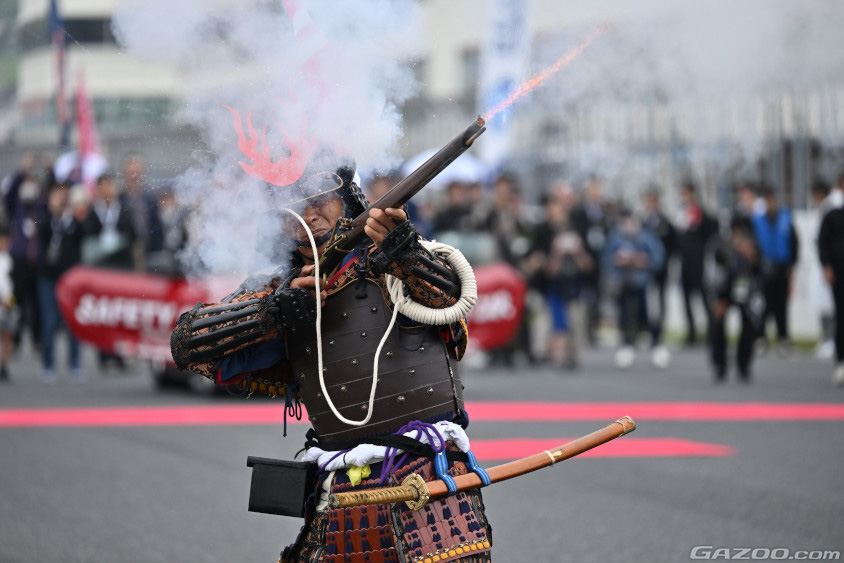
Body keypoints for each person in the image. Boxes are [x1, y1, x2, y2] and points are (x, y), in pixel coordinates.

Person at [171, 154, 492, 562]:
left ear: (348, 199)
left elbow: (450, 303)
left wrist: (406, 252)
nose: (308, 214)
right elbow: (188, 347)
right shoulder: (281, 289)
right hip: (338, 488)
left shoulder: (394, 257)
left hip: (428, 476)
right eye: (291, 207)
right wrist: (272, 313)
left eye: (319, 198)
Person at [706, 218, 767, 383]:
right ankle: (720, 364)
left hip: (745, 290)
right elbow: (714, 273)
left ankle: (743, 364)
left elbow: (760, 272)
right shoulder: (721, 247)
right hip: (724, 290)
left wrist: (751, 259)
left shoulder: (754, 247)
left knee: (749, 323)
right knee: (718, 323)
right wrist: (718, 297)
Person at [602, 209, 665, 369]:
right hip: (623, 284)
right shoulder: (615, 238)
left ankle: (656, 345)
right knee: (624, 316)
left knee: (650, 315)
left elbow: (658, 258)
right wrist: (619, 260)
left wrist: (643, 261)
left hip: (644, 283)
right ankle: (626, 345)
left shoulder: (647, 238)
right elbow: (606, 259)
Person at [37, 182, 86, 383]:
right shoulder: (46, 220)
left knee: (72, 322)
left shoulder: (72, 222)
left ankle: (74, 363)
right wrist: (53, 215)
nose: (60, 199)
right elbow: (41, 235)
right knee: (49, 322)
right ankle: (48, 365)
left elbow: (82, 235)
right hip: (48, 279)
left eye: (63, 195)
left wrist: (69, 217)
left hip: (70, 281)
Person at [751, 184, 799, 354]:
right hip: (763, 268)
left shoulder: (786, 218)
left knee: (781, 306)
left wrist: (792, 265)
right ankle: (760, 338)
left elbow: (794, 242)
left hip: (782, 267)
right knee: (762, 305)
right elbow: (753, 245)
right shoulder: (757, 220)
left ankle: (783, 338)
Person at [677, 180, 719, 346]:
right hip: (685, 263)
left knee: (704, 298)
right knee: (687, 299)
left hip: (699, 263)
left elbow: (712, 231)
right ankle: (691, 333)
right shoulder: (681, 213)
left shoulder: (701, 212)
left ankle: (711, 332)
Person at [570, 176, 610, 346]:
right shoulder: (579, 212)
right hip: (583, 260)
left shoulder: (604, 213)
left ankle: (594, 329)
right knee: (582, 296)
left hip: (599, 260)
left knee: (597, 296)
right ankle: (582, 330)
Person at [641, 188, 676, 367]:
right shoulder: (643, 223)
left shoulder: (666, 222)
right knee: (648, 301)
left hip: (661, 269)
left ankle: (660, 332)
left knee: (660, 301)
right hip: (645, 271)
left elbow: (673, 245)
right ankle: (649, 330)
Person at [809, 178, 843, 360]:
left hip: (833, 264)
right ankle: (830, 340)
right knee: (827, 304)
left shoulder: (832, 205)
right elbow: (821, 238)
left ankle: (831, 341)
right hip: (831, 264)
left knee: (832, 305)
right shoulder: (829, 208)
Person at [818, 192, 844, 386]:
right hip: (840, 274)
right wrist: (827, 266)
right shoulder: (833, 215)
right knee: (841, 316)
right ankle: (841, 361)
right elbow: (823, 242)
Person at [119, 155, 163, 271]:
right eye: (130, 173)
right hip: (125, 254)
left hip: (149, 251)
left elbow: (157, 228)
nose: (133, 177)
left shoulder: (150, 199)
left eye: (136, 173)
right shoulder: (119, 200)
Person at [0, 226, 16, 381]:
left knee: (8, 335)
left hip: (8, 303)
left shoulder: (9, 258)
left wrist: (10, 302)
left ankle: (4, 365)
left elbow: (11, 284)